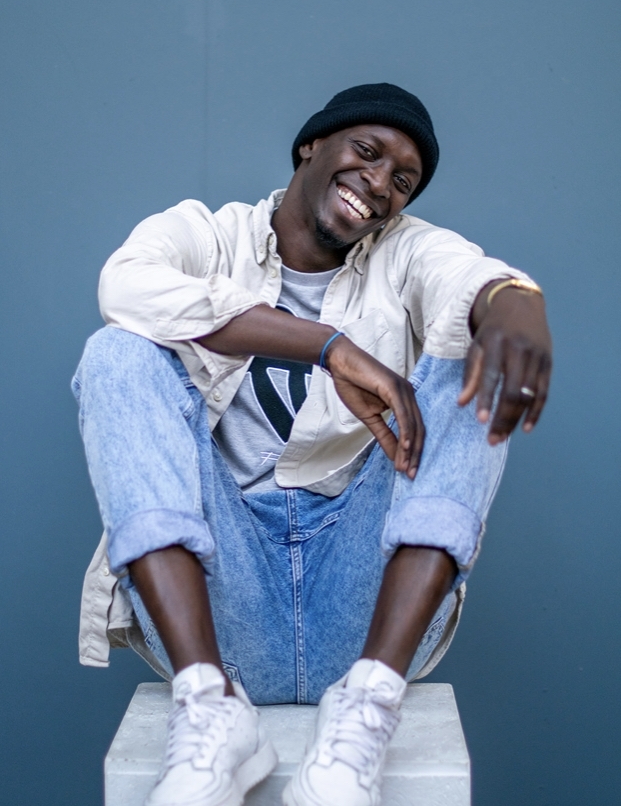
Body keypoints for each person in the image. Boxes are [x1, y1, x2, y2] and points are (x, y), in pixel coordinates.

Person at [72, 83, 552, 806]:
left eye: (403, 181)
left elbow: (466, 276)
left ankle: (368, 707)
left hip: (359, 605)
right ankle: (209, 707)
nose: (380, 184)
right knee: (117, 353)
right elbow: (125, 286)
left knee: (467, 356)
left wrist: (514, 300)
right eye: (367, 151)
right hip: (223, 604)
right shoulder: (209, 234)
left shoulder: (406, 251)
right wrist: (326, 346)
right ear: (311, 145)